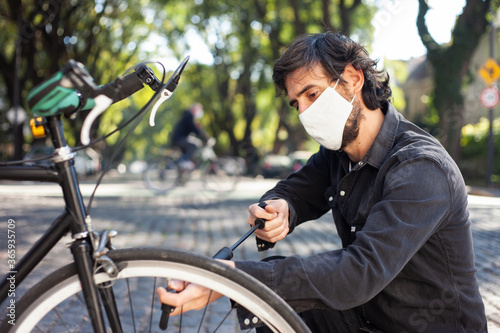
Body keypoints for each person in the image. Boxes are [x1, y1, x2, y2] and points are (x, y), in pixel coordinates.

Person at [158, 32, 488, 332]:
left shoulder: (420, 167)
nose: (304, 112)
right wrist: (281, 207)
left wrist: (230, 279)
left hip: (424, 326)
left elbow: (359, 273)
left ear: (353, 78)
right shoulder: (338, 151)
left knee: (274, 286)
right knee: (275, 309)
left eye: (312, 93)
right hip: (369, 315)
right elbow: (296, 189)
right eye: (296, 103)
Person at [170, 102, 206, 170]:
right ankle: (183, 161)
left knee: (194, 143)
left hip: (180, 138)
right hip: (179, 139)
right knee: (194, 145)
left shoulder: (188, 116)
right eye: (199, 110)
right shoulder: (188, 117)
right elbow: (194, 129)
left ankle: (184, 166)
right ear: (194, 110)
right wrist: (203, 136)